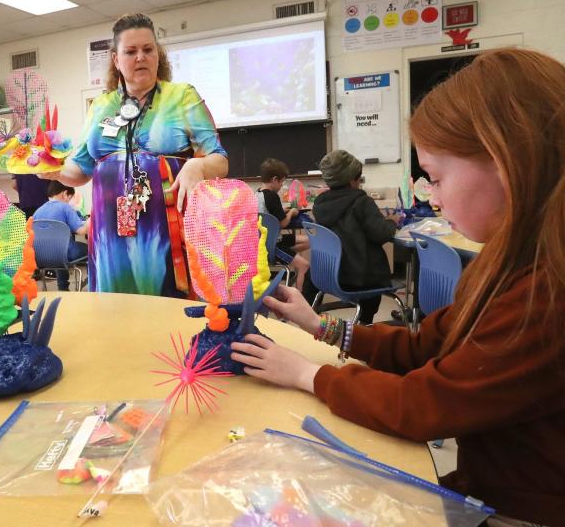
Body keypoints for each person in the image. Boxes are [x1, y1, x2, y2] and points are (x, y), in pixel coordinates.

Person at [229, 48, 565, 526]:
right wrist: (318, 325)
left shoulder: (546, 294)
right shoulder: (507, 261)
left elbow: (423, 404)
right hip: (486, 489)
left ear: (508, 162)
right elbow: (427, 345)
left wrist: (306, 374)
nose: (434, 196)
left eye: (436, 178)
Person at [39, 13, 228, 297]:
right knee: (116, 311)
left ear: (158, 55)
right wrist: (53, 171)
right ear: (116, 60)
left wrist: (197, 167)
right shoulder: (101, 106)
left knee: (169, 308)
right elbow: (79, 170)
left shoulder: (182, 96)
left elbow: (220, 160)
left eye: (148, 49)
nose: (141, 57)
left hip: (167, 232)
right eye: (131, 51)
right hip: (110, 233)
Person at [302, 149, 398, 324]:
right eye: (359, 178)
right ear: (353, 179)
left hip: (326, 274)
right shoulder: (362, 202)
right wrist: (392, 222)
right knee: (375, 277)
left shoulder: (320, 204)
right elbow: (381, 233)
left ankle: (308, 317)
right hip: (358, 278)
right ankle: (365, 321)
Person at [256, 158, 310, 290]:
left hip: (263, 242)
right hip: (272, 245)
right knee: (304, 265)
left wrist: (282, 211)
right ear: (275, 179)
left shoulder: (257, 193)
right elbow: (283, 223)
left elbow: (270, 215)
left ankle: (288, 257)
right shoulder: (273, 196)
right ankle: (300, 300)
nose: (281, 186)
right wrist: (291, 212)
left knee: (309, 241)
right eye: (281, 182)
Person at [32, 181, 90, 291]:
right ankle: (92, 283)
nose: (69, 201)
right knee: (91, 249)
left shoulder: (38, 211)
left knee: (58, 246)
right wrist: (91, 220)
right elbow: (81, 230)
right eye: (70, 198)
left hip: (40, 257)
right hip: (64, 254)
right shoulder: (65, 207)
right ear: (65, 194)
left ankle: (63, 287)